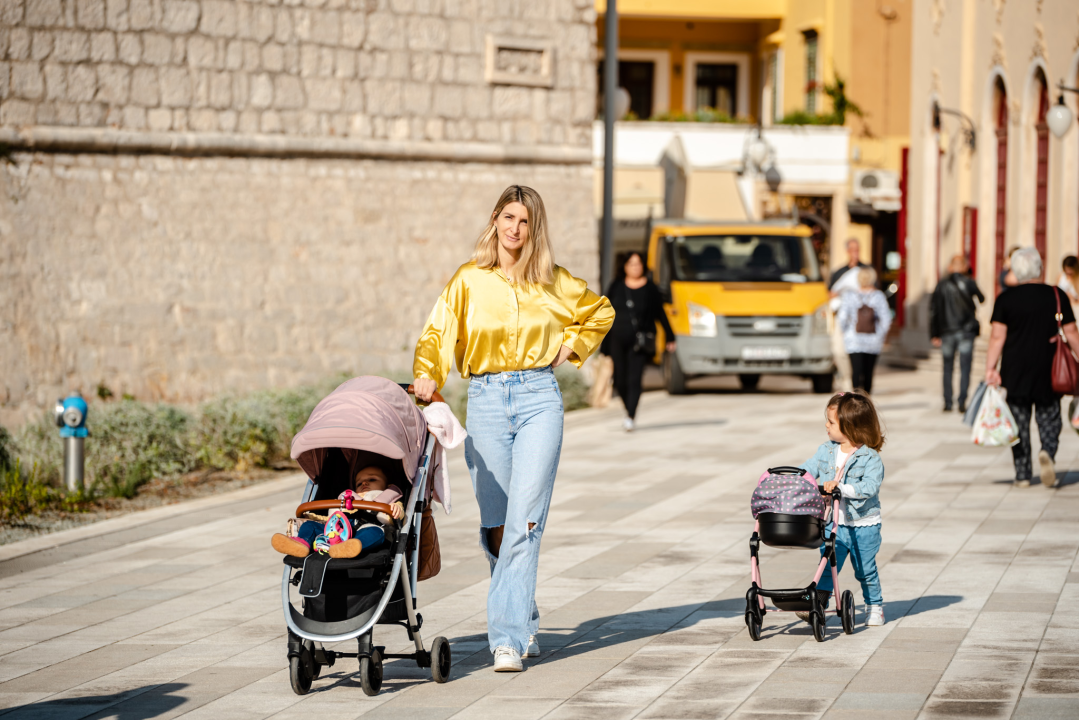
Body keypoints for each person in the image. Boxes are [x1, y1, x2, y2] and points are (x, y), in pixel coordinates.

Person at [412, 185, 613, 672]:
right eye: (507, 217)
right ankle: (524, 614)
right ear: (495, 220)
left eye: (523, 221)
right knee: (498, 526)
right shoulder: (469, 279)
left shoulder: (552, 281)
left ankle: (505, 640)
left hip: (539, 399)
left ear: (533, 227)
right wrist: (427, 371)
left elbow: (600, 311)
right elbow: (440, 331)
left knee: (526, 521)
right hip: (484, 400)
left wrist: (572, 348)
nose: (514, 229)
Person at [985, 247, 1079, 488]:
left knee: (1018, 423)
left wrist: (990, 368)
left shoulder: (1006, 299)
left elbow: (997, 337)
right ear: (1040, 268)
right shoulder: (1057, 294)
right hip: (1050, 368)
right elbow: (1071, 333)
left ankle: (1023, 473)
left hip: (1015, 370)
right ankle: (1047, 450)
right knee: (1050, 417)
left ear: (1015, 270)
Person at [796, 392, 886, 627]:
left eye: (831, 422)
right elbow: (807, 469)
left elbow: (869, 487)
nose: (826, 425)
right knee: (826, 566)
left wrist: (841, 488)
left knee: (865, 570)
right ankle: (818, 606)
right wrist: (792, 477)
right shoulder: (826, 450)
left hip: (863, 524)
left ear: (851, 426)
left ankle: (875, 605)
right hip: (834, 523)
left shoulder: (870, 458)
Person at [602, 252, 675, 431]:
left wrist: (670, 336)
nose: (635, 267)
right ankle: (629, 408)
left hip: (640, 341)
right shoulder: (616, 286)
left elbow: (660, 313)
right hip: (617, 340)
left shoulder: (651, 288)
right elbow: (603, 313)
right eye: (631, 264)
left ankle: (631, 415)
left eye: (638, 264)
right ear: (625, 267)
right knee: (620, 380)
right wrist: (601, 342)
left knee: (634, 379)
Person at [270, 465, 404, 558]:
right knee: (309, 525)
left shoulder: (389, 500)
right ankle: (301, 544)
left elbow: (400, 515)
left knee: (375, 533)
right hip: (339, 531)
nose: (364, 483)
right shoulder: (347, 500)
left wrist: (396, 509)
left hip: (371, 528)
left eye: (372, 479)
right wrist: (310, 516)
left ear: (387, 486)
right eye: (359, 483)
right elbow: (329, 521)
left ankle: (348, 547)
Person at [930, 255, 985, 412]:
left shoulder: (941, 284)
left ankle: (948, 402)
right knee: (965, 367)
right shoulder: (969, 282)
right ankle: (962, 401)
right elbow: (982, 298)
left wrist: (934, 333)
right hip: (966, 331)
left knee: (948, 367)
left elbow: (933, 310)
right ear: (964, 267)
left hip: (947, 331)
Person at [837, 267, 892, 394]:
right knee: (868, 372)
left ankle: (856, 400)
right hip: (873, 341)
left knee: (855, 372)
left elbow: (842, 317)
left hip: (853, 340)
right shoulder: (878, 296)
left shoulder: (850, 296)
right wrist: (882, 334)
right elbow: (886, 319)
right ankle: (867, 400)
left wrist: (844, 331)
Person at [829, 239, 870, 391]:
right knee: (839, 351)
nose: (855, 253)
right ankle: (847, 381)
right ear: (847, 251)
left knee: (859, 354)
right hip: (842, 318)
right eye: (852, 249)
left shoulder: (866, 270)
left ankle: (859, 385)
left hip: (861, 320)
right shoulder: (840, 272)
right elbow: (830, 293)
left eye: (857, 249)